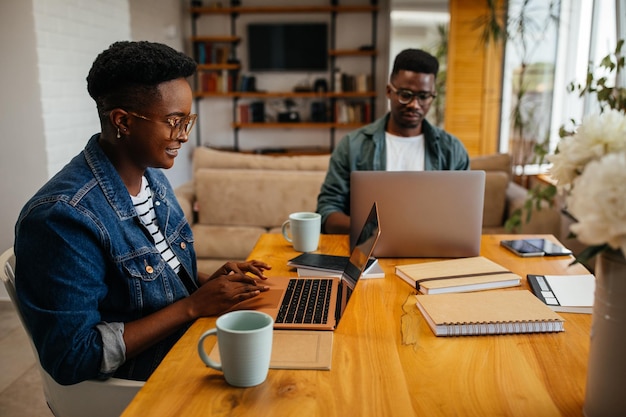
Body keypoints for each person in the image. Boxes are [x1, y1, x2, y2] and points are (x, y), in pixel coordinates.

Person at [14, 41, 271, 384]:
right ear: (123, 121)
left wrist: (209, 284)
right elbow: (72, 356)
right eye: (173, 121)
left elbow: (154, 285)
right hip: (141, 375)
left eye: (187, 121)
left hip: (182, 341)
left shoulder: (153, 180)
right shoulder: (61, 218)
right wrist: (193, 306)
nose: (182, 136)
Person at [316, 48, 470, 234]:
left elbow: (464, 215)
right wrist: (370, 231)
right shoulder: (352, 145)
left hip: (432, 252)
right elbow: (327, 211)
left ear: (432, 96)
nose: (415, 105)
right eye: (406, 95)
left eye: (423, 97)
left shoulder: (452, 150)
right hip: (370, 252)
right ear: (389, 91)